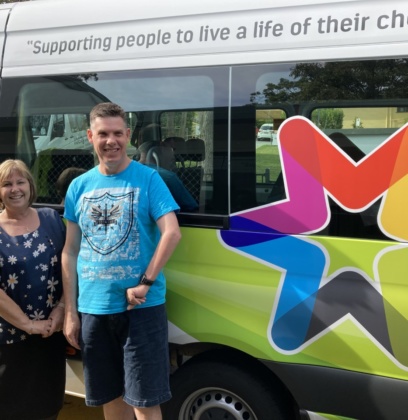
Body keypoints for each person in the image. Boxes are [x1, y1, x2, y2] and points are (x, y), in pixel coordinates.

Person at [62, 102, 181, 420]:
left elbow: (171, 233)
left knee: (145, 403)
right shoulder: (79, 186)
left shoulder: (149, 179)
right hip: (93, 309)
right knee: (111, 400)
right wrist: (70, 313)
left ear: (128, 135)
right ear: (90, 136)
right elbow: (70, 251)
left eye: (117, 133)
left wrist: (146, 282)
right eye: (103, 133)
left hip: (140, 309)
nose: (111, 141)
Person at [0, 159, 66, 420]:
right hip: (10, 340)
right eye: (7, 184)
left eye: (20, 181)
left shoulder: (51, 218)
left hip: (51, 336)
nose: (15, 189)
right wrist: (28, 325)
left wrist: (61, 310)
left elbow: (68, 268)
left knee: (48, 407)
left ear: (30, 185)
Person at [138, 140, 199, 212]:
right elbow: (191, 207)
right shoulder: (167, 177)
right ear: (157, 152)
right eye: (171, 150)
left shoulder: (128, 173)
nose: (173, 156)